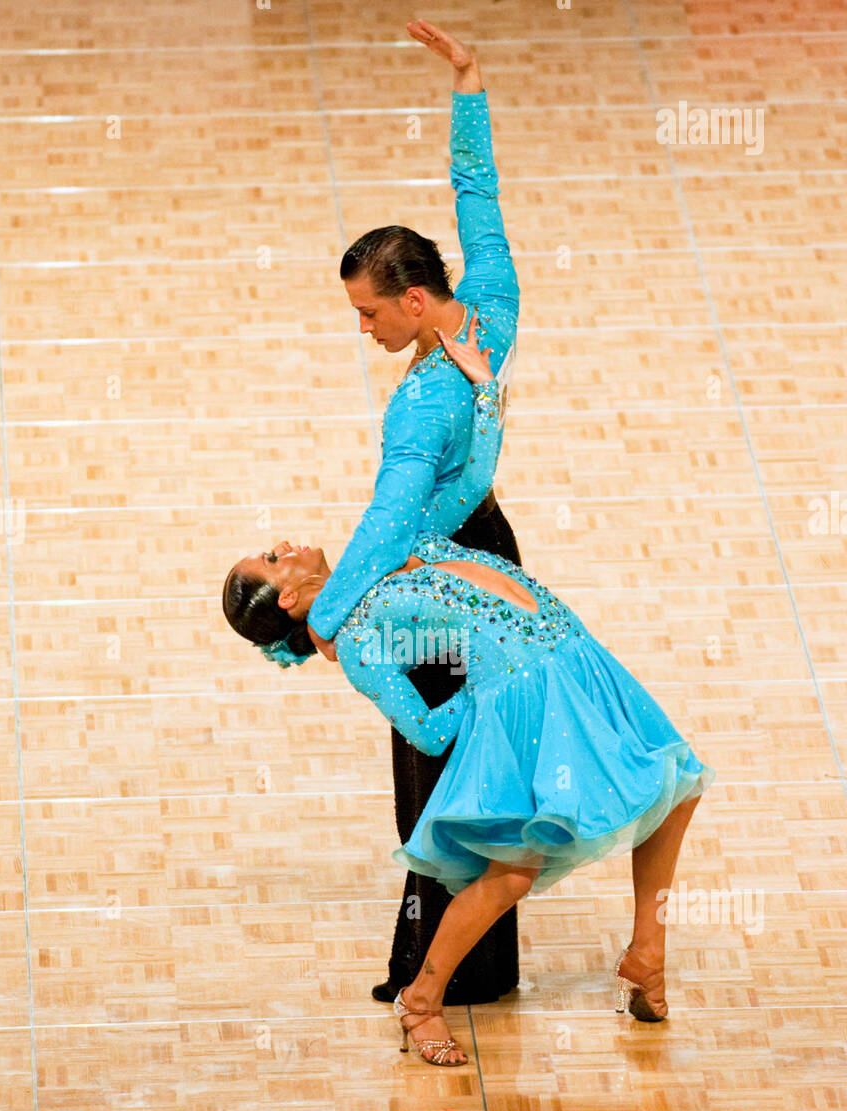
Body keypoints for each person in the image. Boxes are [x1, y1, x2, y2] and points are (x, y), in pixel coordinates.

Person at [222, 326, 716, 1068]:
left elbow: (469, 481)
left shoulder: (377, 553)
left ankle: (646, 955)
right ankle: (420, 1001)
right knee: (512, 869)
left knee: (673, 787)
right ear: (288, 600)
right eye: (270, 557)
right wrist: (482, 704)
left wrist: (485, 390)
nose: (283, 543)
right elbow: (419, 726)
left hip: (567, 651)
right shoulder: (353, 636)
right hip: (521, 695)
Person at [266, 21, 524, 1007]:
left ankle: (435, 974)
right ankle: (474, 963)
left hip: (437, 580)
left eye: (369, 313)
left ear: (416, 301)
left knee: (434, 769)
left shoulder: (421, 402)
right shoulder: (490, 309)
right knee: (478, 759)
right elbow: (481, 202)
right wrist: (469, 80)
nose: (363, 328)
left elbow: (387, 520)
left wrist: (331, 612)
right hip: (496, 552)